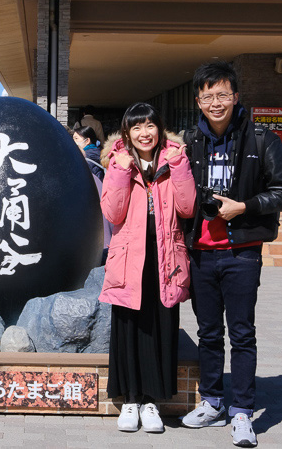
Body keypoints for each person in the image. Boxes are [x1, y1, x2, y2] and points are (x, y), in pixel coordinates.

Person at [181, 62, 282, 448]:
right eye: (208, 96)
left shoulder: (262, 139)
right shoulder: (189, 141)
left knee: (242, 333)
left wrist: (242, 207)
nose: (216, 103)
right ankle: (212, 402)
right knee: (209, 333)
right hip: (201, 252)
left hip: (242, 251)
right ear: (198, 100)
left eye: (223, 95)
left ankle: (242, 412)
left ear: (236, 97)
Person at [99, 102, 196, 434]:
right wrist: (121, 170)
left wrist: (180, 165)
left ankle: (153, 402)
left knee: (161, 325)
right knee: (128, 328)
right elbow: (112, 213)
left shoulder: (174, 160)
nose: (144, 133)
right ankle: (129, 399)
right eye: (136, 127)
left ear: (160, 128)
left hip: (166, 255)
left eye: (150, 125)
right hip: (130, 258)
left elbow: (187, 207)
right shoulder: (118, 162)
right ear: (127, 132)